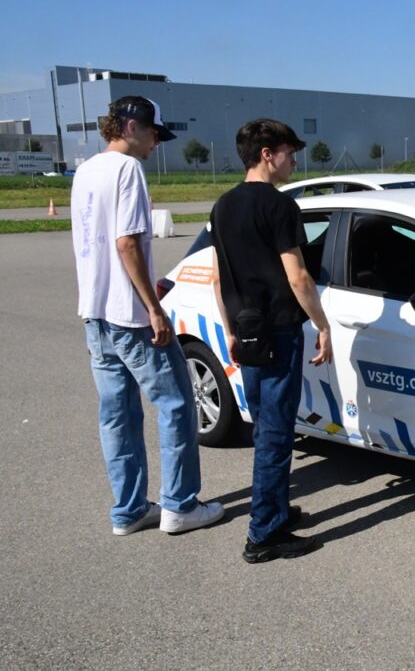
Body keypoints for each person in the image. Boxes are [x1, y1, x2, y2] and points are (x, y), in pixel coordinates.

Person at [71, 96, 224, 536]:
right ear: (132, 126)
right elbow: (126, 243)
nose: (157, 143)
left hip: (95, 312)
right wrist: (153, 309)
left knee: (116, 414)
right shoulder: (128, 170)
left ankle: (129, 509)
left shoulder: (86, 170)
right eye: (155, 133)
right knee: (176, 403)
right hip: (131, 315)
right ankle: (180, 505)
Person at [210, 119, 332, 563]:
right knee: (277, 436)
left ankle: (275, 511)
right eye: (289, 152)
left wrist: (227, 329)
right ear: (267, 154)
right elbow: (298, 277)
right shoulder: (280, 207)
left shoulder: (222, 207)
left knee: (266, 428)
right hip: (279, 331)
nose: (294, 160)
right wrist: (323, 324)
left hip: (246, 331)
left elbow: (218, 278)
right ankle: (263, 535)